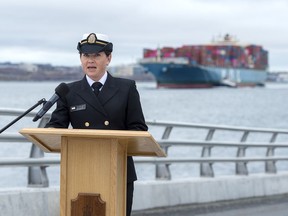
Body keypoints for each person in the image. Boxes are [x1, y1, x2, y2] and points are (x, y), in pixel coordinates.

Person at [45, 32, 148, 216]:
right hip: (80, 171)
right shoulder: (68, 91)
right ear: (80, 58)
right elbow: (55, 128)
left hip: (118, 171)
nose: (90, 61)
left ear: (108, 58)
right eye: (86, 56)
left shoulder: (126, 88)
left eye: (96, 55)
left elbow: (138, 128)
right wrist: (50, 131)